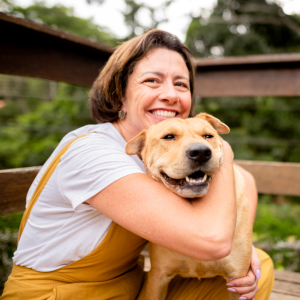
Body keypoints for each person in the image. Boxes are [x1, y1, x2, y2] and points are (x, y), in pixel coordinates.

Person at [1, 29, 274, 300]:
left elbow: (244, 180)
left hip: (131, 288)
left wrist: (239, 244)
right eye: (152, 81)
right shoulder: (92, 152)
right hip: (60, 294)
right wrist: (221, 147)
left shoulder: (164, 155)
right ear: (119, 93)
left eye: (181, 84)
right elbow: (212, 241)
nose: (171, 95)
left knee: (259, 268)